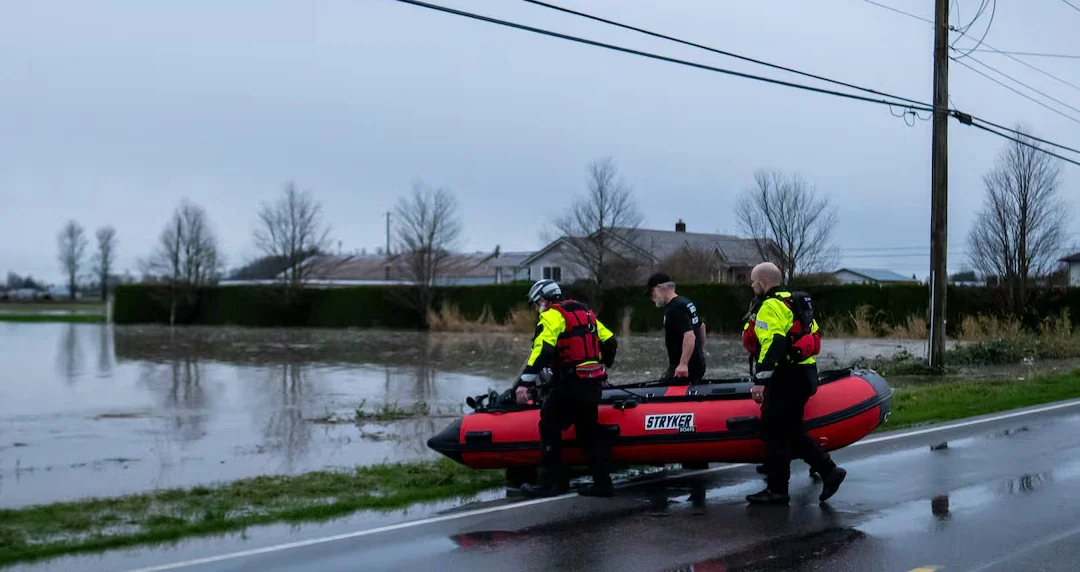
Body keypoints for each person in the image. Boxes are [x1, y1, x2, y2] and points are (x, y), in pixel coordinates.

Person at [742, 262, 846, 505]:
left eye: (754, 281)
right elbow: (814, 335)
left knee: (774, 429)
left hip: (786, 376)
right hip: (805, 373)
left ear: (764, 283)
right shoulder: (795, 302)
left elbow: (773, 344)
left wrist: (760, 380)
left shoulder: (769, 306)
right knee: (791, 430)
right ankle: (827, 472)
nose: (751, 285)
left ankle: (780, 489)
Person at [518, 279, 618, 498]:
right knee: (589, 431)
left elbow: (542, 350)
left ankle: (546, 484)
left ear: (543, 300)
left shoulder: (552, 316)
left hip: (569, 384)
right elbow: (610, 340)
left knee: (549, 425)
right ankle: (603, 483)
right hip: (591, 383)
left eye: (537, 304)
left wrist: (525, 382)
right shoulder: (586, 313)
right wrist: (605, 365)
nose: (537, 308)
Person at [647, 273, 707, 382]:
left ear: (659, 287)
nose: (652, 298)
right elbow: (701, 327)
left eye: (652, 293)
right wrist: (698, 351)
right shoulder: (686, 302)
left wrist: (683, 364)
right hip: (697, 364)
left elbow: (689, 336)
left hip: (682, 369)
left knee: (660, 390)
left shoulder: (674, 308)